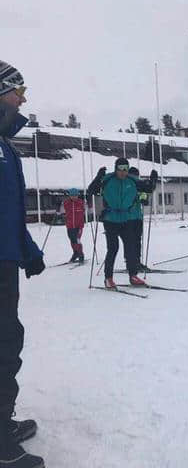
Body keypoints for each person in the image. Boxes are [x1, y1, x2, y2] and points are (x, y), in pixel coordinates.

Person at [0, 59, 46, 468]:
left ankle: (2, 421)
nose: (23, 98)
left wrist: (29, 252)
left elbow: (9, 213)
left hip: (6, 260)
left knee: (8, 341)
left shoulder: (5, 149)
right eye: (17, 90)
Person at [87, 158, 157, 288]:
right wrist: (98, 177)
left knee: (130, 247)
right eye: (120, 169)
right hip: (110, 219)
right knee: (113, 248)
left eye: (126, 169)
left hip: (126, 219)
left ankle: (133, 276)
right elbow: (91, 190)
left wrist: (153, 180)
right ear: (116, 169)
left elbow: (148, 188)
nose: (123, 172)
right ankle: (108, 278)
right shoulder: (107, 179)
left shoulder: (132, 180)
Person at [127, 167, 153, 271]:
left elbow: (145, 202)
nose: (135, 178)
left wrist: (144, 197)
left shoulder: (140, 186)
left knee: (137, 241)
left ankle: (136, 262)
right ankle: (132, 263)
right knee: (131, 241)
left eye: (136, 176)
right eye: (133, 176)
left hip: (138, 217)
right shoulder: (127, 186)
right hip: (128, 218)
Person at [59, 188, 86, 262]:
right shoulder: (66, 203)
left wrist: (88, 203)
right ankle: (75, 253)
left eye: (75, 195)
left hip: (79, 226)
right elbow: (61, 212)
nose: (74, 197)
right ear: (69, 196)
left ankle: (81, 254)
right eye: (72, 195)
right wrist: (58, 207)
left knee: (77, 240)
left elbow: (88, 210)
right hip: (70, 225)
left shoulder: (81, 203)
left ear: (78, 195)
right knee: (72, 241)